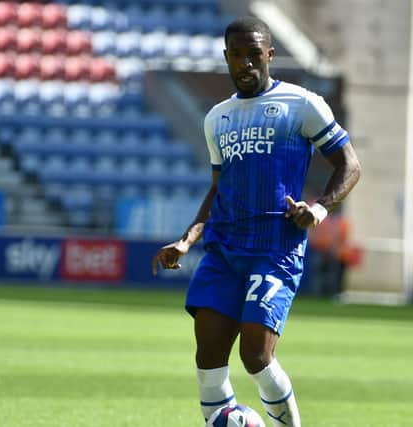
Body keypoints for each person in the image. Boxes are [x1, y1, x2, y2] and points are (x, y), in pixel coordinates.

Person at [151, 16, 361, 426]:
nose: (245, 63)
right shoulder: (217, 118)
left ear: (270, 55)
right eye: (236, 55)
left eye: (253, 55)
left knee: (256, 356)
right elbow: (218, 189)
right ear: (226, 58)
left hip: (274, 249)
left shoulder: (302, 104)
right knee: (207, 358)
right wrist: (187, 241)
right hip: (223, 252)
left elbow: (350, 165)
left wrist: (318, 209)